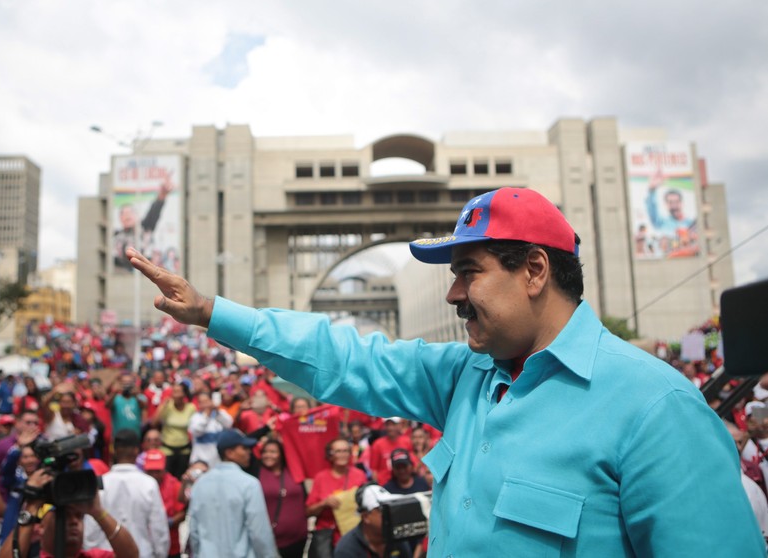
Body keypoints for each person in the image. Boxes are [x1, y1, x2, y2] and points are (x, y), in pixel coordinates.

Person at [128, 185, 764, 556]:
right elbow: (347, 358)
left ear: (535, 271)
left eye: (469, 272)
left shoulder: (658, 410)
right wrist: (215, 313)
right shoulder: (470, 375)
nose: (456, 295)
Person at [0, 469, 139, 558]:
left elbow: (131, 556)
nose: (74, 522)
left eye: (79, 516)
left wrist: (98, 512)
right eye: (65, 516)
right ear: (40, 527)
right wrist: (32, 507)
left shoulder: (93, 556)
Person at [187, 428, 276, 557]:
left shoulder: (200, 484)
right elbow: (259, 531)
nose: (249, 452)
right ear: (229, 452)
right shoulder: (249, 484)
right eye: (244, 448)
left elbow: (194, 531)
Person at [82, 429, 169, 558]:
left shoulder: (101, 483)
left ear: (114, 451)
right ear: (136, 451)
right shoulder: (148, 483)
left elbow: (90, 530)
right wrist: (161, 554)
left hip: (107, 553)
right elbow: (159, 529)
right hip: (141, 553)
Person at [305, 437, 368, 557]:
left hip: (352, 534)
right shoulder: (321, 477)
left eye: (345, 451)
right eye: (338, 451)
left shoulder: (359, 475)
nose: (342, 454)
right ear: (330, 455)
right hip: (327, 536)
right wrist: (324, 503)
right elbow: (308, 512)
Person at [258, 439, 308, 558]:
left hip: (297, 539)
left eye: (273, 452)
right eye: (265, 452)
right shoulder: (255, 472)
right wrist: (266, 429)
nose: (268, 455)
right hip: (268, 541)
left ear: (282, 453)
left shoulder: (294, 471)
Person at [333, 483, 412, 558]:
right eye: (383, 510)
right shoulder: (346, 550)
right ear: (366, 517)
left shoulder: (397, 538)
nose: (390, 514)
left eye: (391, 507)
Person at [113, 174, 174, 270]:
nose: (127, 215)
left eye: (130, 212)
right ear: (120, 218)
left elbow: (155, 211)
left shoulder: (145, 228)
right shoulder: (115, 236)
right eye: (124, 214)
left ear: (137, 216)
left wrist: (162, 194)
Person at [142, 449, 186, 558]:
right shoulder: (139, 486)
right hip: (146, 546)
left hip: (171, 547)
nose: (154, 474)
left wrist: (167, 523)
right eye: (150, 471)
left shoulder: (175, 485)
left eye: (157, 471)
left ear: (164, 469)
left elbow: (183, 513)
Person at [153, 382, 196, 478]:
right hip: (167, 448)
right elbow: (154, 423)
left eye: (178, 391)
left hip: (184, 449)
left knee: (181, 477)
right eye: (174, 391)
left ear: (184, 394)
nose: (175, 394)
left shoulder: (191, 408)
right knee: (167, 476)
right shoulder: (167, 406)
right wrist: (163, 405)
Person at [187, 391, 233, 467]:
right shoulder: (195, 417)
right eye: (201, 402)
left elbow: (228, 424)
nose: (205, 405)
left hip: (217, 460)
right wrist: (207, 414)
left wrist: (217, 410)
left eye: (206, 401)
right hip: (200, 460)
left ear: (211, 401)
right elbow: (197, 431)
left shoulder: (219, 414)